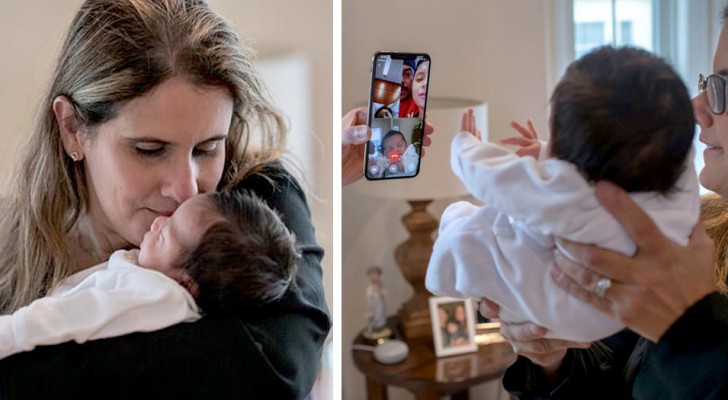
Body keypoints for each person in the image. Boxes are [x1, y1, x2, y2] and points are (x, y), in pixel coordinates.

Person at [0, 1, 330, 398]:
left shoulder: (257, 202)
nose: (187, 189)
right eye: (150, 149)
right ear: (72, 129)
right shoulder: (10, 258)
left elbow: (276, 370)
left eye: (208, 148)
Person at [482, 19, 728, 399]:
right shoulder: (694, 231)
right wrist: (553, 362)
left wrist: (691, 328)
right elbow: (616, 370)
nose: (696, 107)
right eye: (706, 83)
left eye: (722, 88)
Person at [426, 46, 698, 342]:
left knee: (473, 233)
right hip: (607, 319)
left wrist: (465, 146)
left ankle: (443, 269)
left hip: (562, 305)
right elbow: (608, 156)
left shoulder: (578, 197)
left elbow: (496, 179)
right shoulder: (679, 177)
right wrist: (547, 151)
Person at [0, 191, 298, 360]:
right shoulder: (155, 275)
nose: (158, 223)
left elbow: (73, 315)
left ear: (187, 282)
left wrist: (11, 332)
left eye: (168, 234)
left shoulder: (159, 297)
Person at [341, 108, 434, 185]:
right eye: (389, 149)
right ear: (384, 152)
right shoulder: (383, 159)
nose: (395, 150)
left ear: (406, 144)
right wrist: (373, 169)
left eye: (399, 145)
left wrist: (402, 165)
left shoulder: (409, 151)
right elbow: (379, 170)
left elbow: (413, 161)